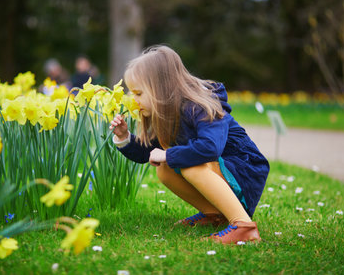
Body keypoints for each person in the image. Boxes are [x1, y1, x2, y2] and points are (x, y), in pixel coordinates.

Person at [109, 45, 269, 245]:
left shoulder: (202, 106)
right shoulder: (169, 114)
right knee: (164, 169)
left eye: (139, 94)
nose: (134, 100)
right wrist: (124, 137)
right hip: (222, 169)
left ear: (161, 88)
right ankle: (214, 215)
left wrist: (168, 155)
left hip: (244, 170)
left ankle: (243, 226)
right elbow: (149, 154)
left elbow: (210, 148)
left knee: (187, 164)